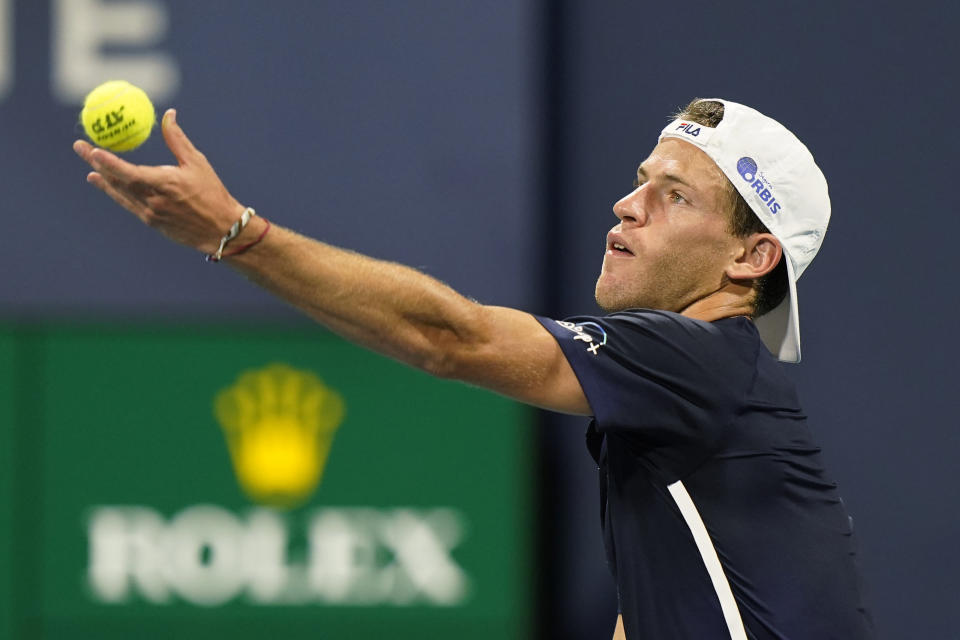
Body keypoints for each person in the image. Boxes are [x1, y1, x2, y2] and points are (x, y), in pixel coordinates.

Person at [73, 97, 873, 639]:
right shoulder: (690, 401)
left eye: (677, 197)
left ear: (751, 258)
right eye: (640, 184)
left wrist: (239, 234)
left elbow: (450, 338)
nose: (629, 206)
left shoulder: (696, 362)